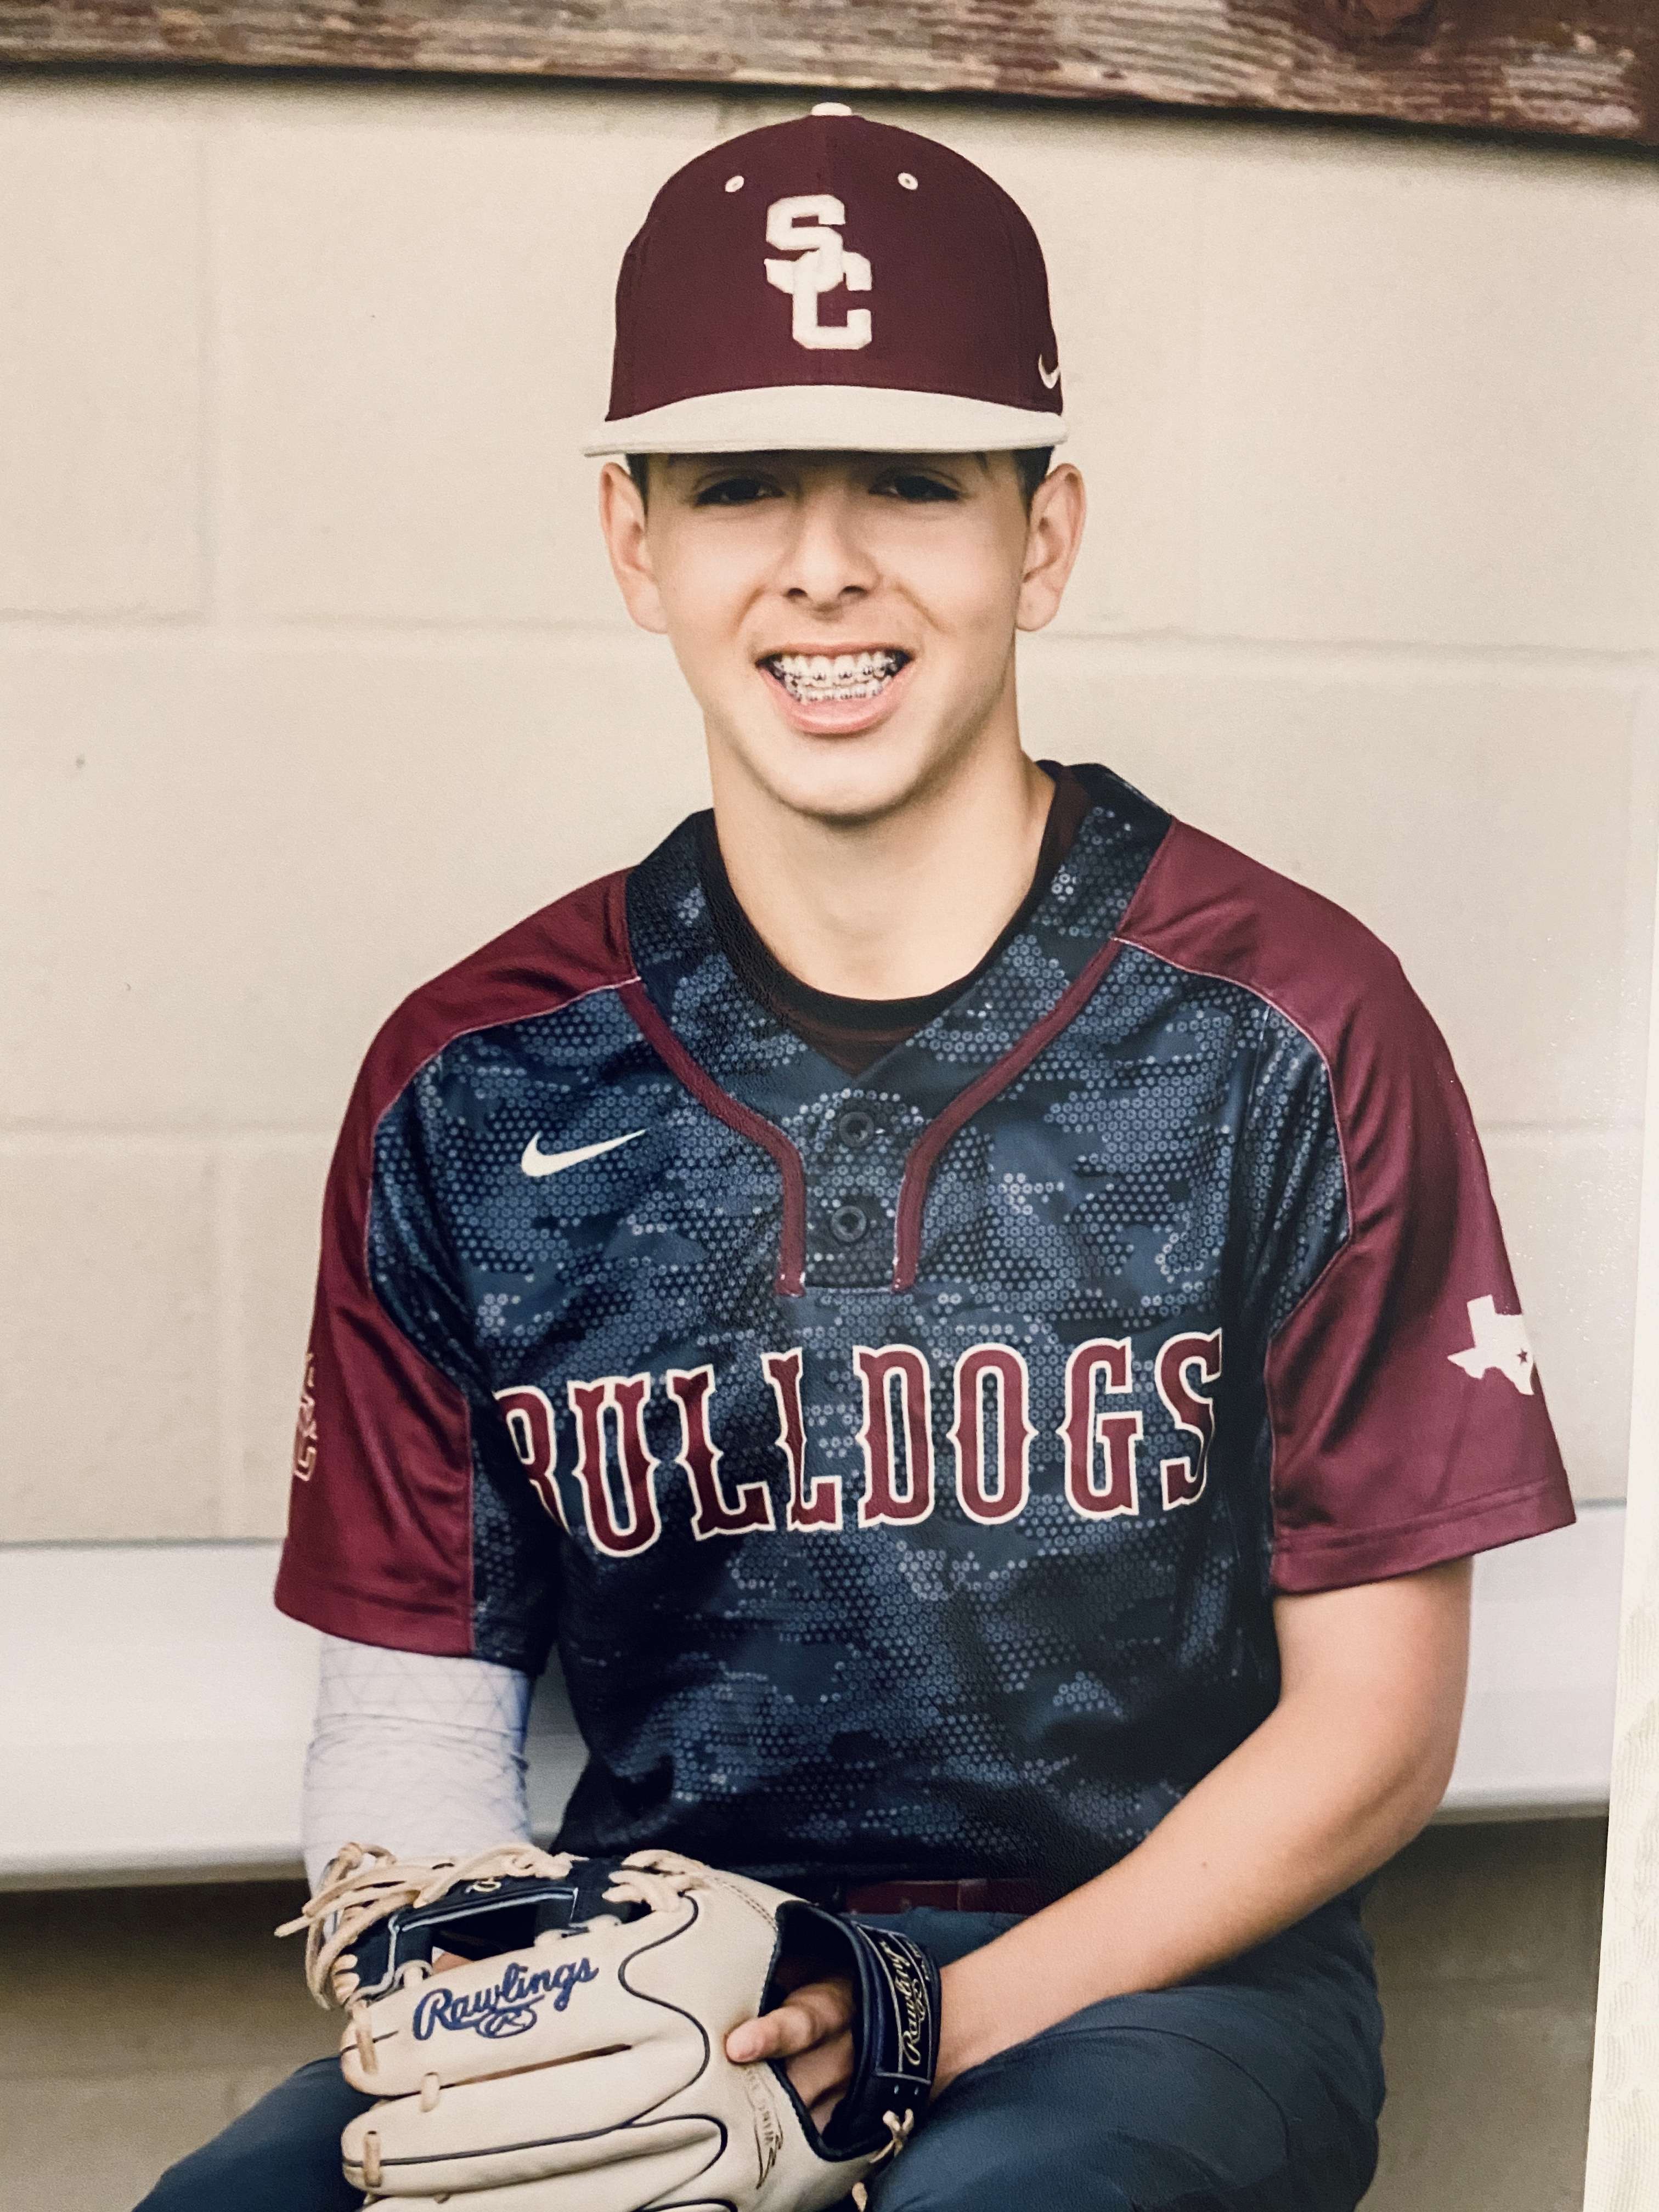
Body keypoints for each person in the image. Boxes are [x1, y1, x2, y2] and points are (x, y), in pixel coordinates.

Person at [137, 103, 1575, 2212]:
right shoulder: (473, 1077)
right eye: (739, 488)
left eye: (912, 477)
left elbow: (1379, 1732)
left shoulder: (1289, 1023)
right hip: (666, 1970)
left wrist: (929, 2020)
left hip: (1156, 1984)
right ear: (634, 541)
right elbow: (414, 1731)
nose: (824, 563)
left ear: (1042, 535)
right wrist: (494, 2027)